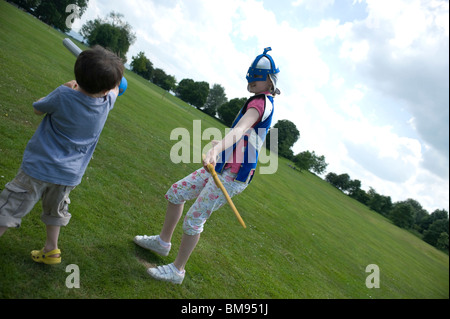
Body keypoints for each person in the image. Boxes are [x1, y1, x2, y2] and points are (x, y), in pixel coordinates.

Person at [134, 47, 280, 284]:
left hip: (232, 176)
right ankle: (162, 242)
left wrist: (215, 149)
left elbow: (241, 129)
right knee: (177, 192)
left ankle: (177, 271)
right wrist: (222, 146)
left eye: (257, 77)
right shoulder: (258, 101)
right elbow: (245, 137)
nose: (252, 81)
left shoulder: (261, 104)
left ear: (269, 80)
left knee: (194, 219)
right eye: (251, 76)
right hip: (220, 167)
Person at [0, 45, 124, 264]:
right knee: (55, 210)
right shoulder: (106, 104)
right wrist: (115, 82)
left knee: (11, 206)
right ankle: (51, 249)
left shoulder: (64, 94)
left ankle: (49, 248)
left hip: (39, 168)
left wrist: (67, 85)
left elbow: (38, 108)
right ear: (106, 89)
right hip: (68, 176)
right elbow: (115, 89)